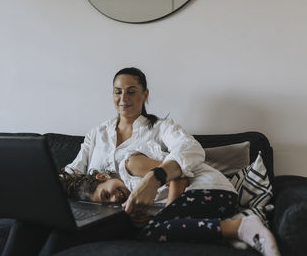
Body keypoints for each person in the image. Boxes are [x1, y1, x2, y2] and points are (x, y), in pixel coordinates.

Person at [46, 67, 280, 256]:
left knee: (147, 229)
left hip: (197, 193)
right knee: (49, 229)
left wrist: (155, 179)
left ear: (145, 94)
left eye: (131, 91)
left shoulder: (157, 132)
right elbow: (71, 172)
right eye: (117, 91)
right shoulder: (97, 133)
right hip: (109, 212)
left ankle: (240, 230)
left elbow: (190, 152)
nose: (123, 98)